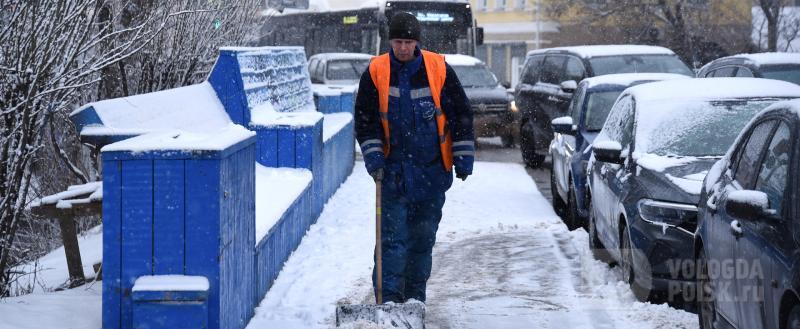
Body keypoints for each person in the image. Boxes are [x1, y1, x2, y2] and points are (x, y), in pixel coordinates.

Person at [354, 12, 474, 304]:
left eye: (408, 42)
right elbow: (365, 121)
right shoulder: (376, 71)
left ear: (417, 42)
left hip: (431, 175)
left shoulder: (438, 69)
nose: (403, 48)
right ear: (390, 41)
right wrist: (374, 161)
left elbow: (461, 115)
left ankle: (414, 302)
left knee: (421, 244)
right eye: (398, 41)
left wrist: (463, 157)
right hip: (392, 177)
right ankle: (388, 304)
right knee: (391, 244)